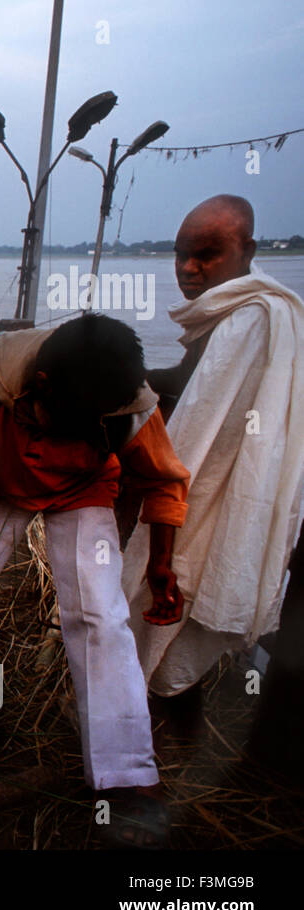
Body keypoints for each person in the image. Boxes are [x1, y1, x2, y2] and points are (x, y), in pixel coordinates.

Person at [0, 315, 189, 847]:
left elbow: (164, 481)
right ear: (40, 388)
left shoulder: (125, 398)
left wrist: (161, 567)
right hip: (1, 484)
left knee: (101, 616)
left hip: (84, 491)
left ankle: (126, 775)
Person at [124, 195, 304, 700]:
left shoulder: (252, 318)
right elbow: (190, 385)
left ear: (246, 250)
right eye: (180, 254)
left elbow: (204, 425)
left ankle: (152, 700)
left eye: (207, 254)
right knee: (185, 580)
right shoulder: (229, 314)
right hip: (196, 487)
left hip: (210, 486)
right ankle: (158, 698)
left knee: (185, 573)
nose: (188, 269)